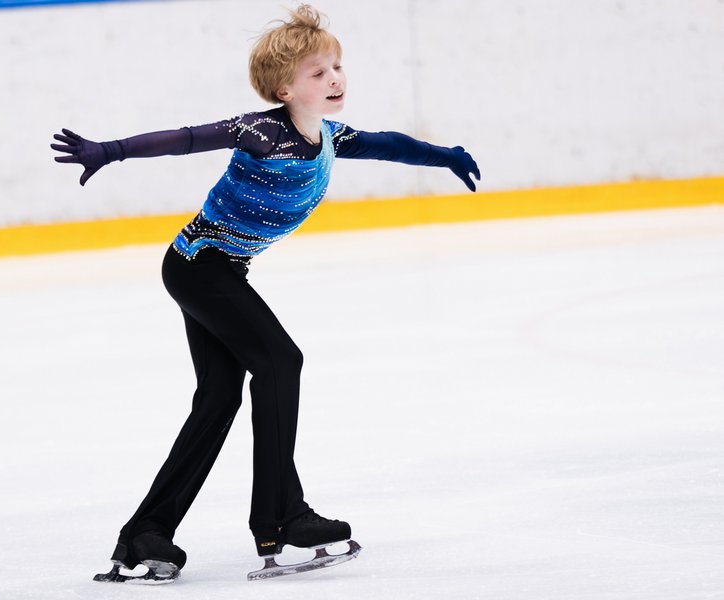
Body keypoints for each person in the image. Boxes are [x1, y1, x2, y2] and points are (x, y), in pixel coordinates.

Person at [52, 4, 480, 582]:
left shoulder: (329, 138)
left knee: (219, 398)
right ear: (285, 89)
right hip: (200, 265)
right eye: (318, 72)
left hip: (219, 270)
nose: (335, 79)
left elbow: (389, 144)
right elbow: (186, 139)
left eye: (337, 67)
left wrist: (444, 156)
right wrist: (111, 150)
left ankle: (146, 534)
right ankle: (282, 517)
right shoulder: (262, 132)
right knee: (280, 361)